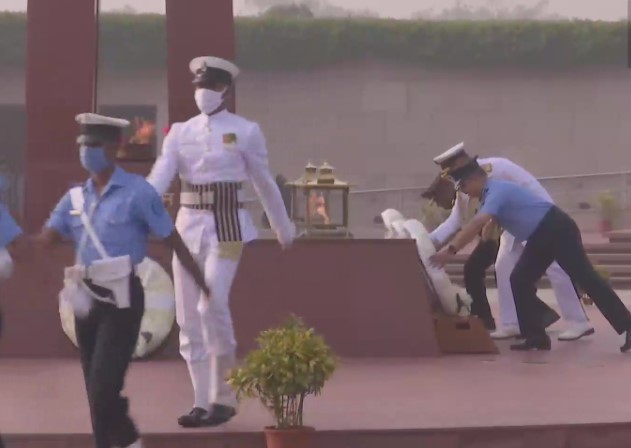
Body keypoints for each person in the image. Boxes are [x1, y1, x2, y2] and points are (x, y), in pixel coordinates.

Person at [33, 113, 210, 448]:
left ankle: (128, 441)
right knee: (95, 391)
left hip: (122, 298)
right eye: (82, 145)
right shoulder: (74, 199)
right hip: (85, 299)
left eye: (95, 144)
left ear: (115, 148)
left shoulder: (138, 193)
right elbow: (44, 240)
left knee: (104, 385)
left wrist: (202, 282)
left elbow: (172, 239)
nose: (87, 151)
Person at [147, 56, 295, 428]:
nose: (203, 93)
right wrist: (137, 212)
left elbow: (262, 180)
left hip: (227, 227)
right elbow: (159, 179)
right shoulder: (179, 132)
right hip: (186, 228)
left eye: (211, 87)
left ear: (225, 89)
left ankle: (225, 396)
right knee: (187, 316)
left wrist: (282, 225)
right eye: (199, 86)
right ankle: (202, 401)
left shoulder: (245, 130)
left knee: (210, 305)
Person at [429, 158, 631, 351]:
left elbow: (476, 224)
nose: (463, 192)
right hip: (539, 236)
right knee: (519, 280)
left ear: (474, 179)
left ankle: (628, 326)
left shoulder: (496, 190)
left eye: (462, 187)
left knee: (587, 278)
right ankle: (536, 337)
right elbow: (486, 231)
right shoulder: (488, 197)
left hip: (556, 229)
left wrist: (450, 251)